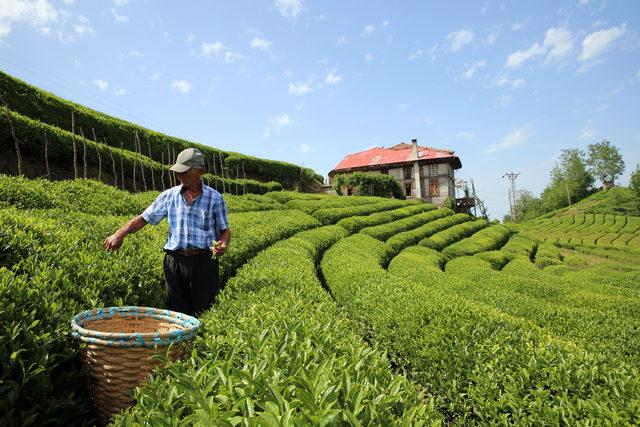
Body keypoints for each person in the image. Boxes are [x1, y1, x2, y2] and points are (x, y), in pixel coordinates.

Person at [104, 148, 231, 317]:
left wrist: (223, 243)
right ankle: (180, 344)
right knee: (177, 312)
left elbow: (225, 230)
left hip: (204, 262)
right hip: (174, 260)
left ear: (200, 171)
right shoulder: (169, 196)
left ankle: (198, 343)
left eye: (184, 172)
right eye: (178, 172)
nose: (179, 176)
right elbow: (144, 218)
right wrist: (121, 233)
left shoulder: (215, 198)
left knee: (203, 310)